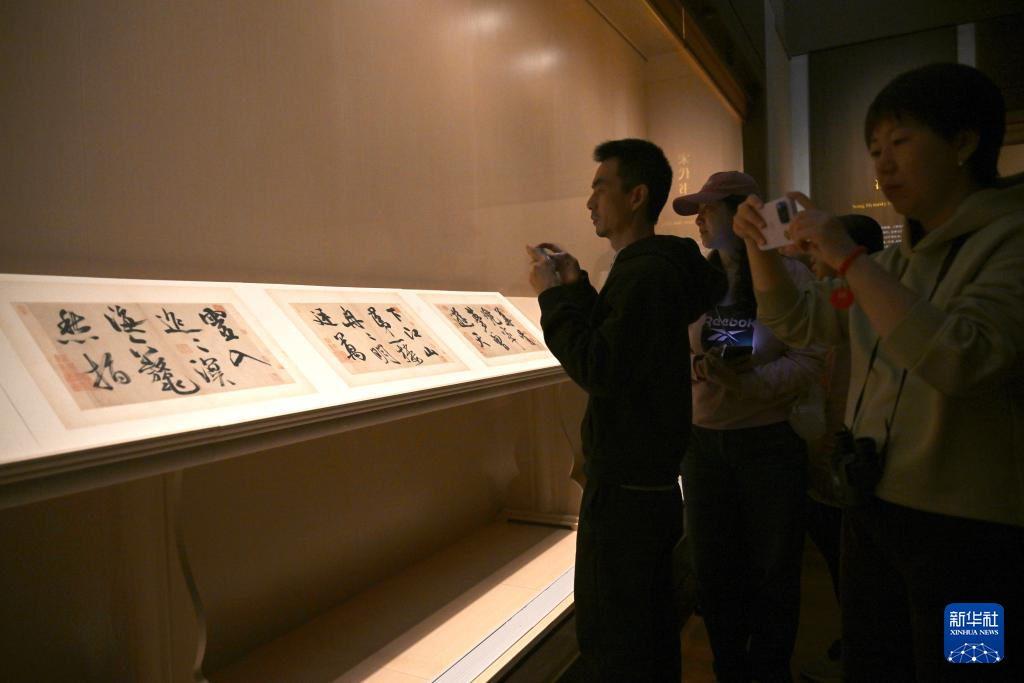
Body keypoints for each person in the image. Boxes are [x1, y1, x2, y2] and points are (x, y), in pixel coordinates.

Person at [732, 62, 1024, 682]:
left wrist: (848, 259)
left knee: (971, 670)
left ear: (965, 142)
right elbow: (802, 322)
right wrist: (761, 251)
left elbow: (961, 358)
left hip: (973, 537)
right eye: (874, 150)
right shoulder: (895, 266)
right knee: (874, 665)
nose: (883, 165)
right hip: (872, 512)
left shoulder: (1011, 241)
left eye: (900, 142)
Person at [526, 138, 726, 680]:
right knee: (646, 633)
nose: (590, 201)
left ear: (636, 196)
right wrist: (577, 288)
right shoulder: (652, 269)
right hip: (650, 486)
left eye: (600, 187)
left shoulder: (646, 273)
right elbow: (624, 346)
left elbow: (601, 367)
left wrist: (553, 297)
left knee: (619, 642)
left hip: (628, 497)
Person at [673, 171, 826, 682]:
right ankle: (729, 669)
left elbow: (811, 358)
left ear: (744, 213)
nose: (699, 219)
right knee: (712, 570)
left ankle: (770, 670)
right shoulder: (697, 281)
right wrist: (700, 370)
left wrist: (746, 385)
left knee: (774, 571)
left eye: (709, 209)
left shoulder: (789, 274)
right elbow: (673, 351)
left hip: (769, 442)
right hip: (702, 443)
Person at [799, 214, 883, 683]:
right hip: (834, 463)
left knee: (863, 574)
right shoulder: (842, 304)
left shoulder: (870, 308)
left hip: (855, 468)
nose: (813, 260)